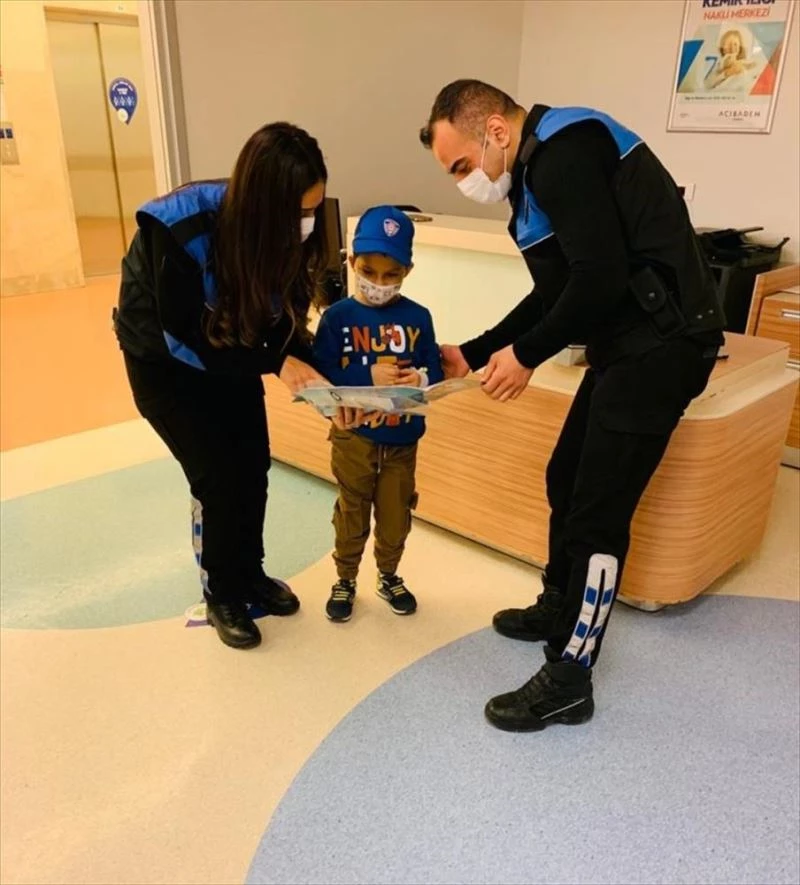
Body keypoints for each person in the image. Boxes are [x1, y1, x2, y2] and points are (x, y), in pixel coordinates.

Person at [419, 80, 724, 732]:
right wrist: (474, 351)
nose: (464, 181)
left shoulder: (565, 153)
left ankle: (569, 676)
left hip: (664, 346)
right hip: (628, 343)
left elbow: (600, 278)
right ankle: (560, 602)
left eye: (462, 165)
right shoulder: (537, 172)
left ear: (495, 130)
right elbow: (556, 294)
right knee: (565, 477)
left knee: (597, 516)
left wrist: (526, 355)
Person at [113, 122, 369, 651]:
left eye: (312, 208)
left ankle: (250, 574)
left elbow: (285, 323)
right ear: (261, 203)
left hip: (235, 353)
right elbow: (185, 339)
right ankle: (222, 593)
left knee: (252, 465)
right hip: (167, 365)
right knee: (216, 479)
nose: (306, 223)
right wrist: (276, 364)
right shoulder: (179, 227)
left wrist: (334, 387)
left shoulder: (289, 233)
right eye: (296, 212)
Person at [312, 206, 444, 622]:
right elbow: (320, 376)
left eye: (392, 275)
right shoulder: (337, 318)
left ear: (408, 271)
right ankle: (345, 577)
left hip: (403, 439)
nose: (379, 284)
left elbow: (435, 371)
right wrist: (366, 375)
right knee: (352, 510)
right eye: (369, 272)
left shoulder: (418, 317)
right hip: (354, 439)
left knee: (395, 515)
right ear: (352, 261)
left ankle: (388, 574)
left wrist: (421, 378)